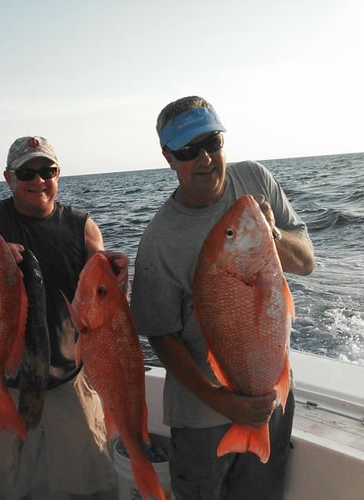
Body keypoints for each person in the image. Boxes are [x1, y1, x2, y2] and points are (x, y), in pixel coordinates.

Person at [129, 96, 315, 500]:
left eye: (212, 142)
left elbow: (306, 263)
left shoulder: (256, 179)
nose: (205, 158)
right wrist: (222, 401)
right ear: (169, 157)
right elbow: (161, 335)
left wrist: (273, 235)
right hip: (200, 418)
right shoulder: (159, 240)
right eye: (188, 150)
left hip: (270, 397)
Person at [0, 136, 129, 499]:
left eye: (47, 170)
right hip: (9, 387)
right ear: (8, 177)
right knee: (15, 490)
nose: (38, 180)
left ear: (58, 173)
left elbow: (105, 298)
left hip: (69, 381)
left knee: (89, 489)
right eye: (26, 172)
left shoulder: (81, 226)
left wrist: (118, 276)